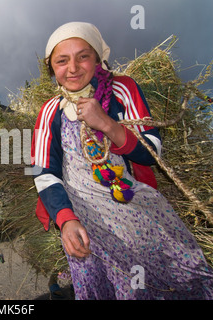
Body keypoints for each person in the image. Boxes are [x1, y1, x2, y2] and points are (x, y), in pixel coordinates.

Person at [31, 21, 213, 299]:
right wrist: (66, 220)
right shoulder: (50, 111)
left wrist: (106, 123)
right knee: (100, 285)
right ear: (52, 69)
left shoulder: (122, 90)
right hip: (82, 218)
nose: (73, 68)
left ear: (98, 59)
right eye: (62, 61)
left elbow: (151, 151)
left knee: (176, 275)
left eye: (83, 56)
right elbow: (44, 172)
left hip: (134, 209)